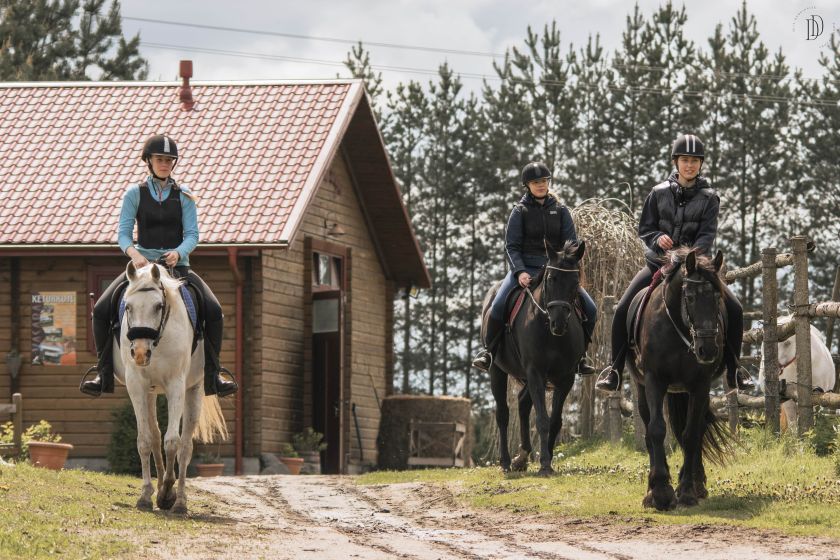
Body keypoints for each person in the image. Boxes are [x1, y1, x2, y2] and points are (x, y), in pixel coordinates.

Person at [80, 135, 238, 398]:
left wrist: (179, 252)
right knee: (100, 309)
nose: (165, 164)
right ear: (149, 161)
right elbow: (123, 233)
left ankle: (213, 374)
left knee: (214, 310)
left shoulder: (184, 196)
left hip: (178, 268)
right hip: (143, 267)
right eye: (160, 159)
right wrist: (133, 254)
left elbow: (192, 234)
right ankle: (103, 372)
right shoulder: (135, 194)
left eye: (169, 160)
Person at [596, 134, 753, 392]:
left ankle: (735, 370)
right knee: (623, 307)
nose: (689, 165)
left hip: (695, 268)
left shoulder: (710, 197)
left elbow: (706, 236)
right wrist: (658, 239)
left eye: (694, 161)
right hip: (658, 265)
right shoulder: (657, 194)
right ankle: (614, 370)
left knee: (734, 308)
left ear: (700, 164)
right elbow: (645, 228)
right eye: (685, 160)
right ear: (676, 162)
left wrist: (685, 255)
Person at [472, 162, 597, 373]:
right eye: (536, 182)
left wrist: (564, 263)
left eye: (544, 181)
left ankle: (581, 357)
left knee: (590, 308)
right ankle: (489, 352)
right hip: (525, 268)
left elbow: (571, 244)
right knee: (498, 306)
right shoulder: (519, 211)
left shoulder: (561, 210)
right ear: (527, 185)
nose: (541, 185)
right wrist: (519, 271)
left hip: (555, 271)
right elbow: (511, 246)